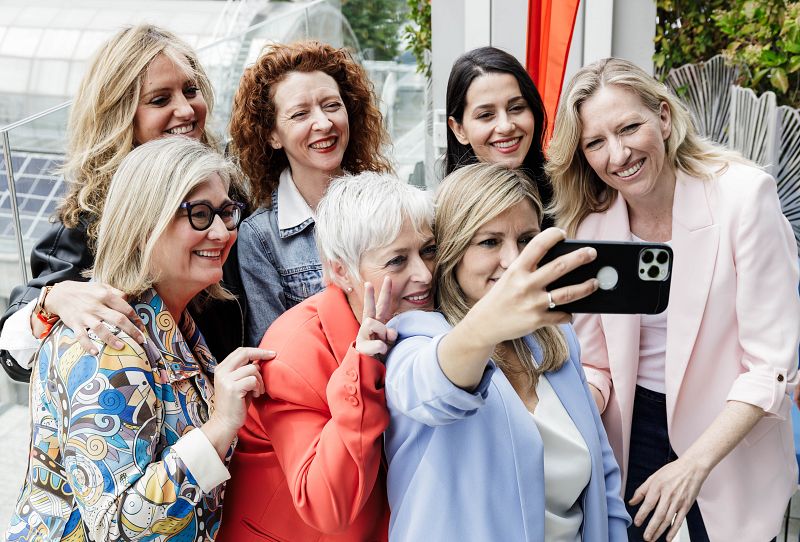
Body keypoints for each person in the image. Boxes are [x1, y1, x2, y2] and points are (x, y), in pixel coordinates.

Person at [546, 57, 800, 542]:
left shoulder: (744, 199)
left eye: (629, 127)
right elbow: (597, 365)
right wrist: (553, 408)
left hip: (729, 426)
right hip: (632, 426)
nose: (617, 155)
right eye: (595, 143)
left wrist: (693, 463)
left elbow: (770, 368)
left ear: (663, 117)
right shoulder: (591, 225)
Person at [5, 137, 273, 542]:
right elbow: (117, 527)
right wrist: (220, 427)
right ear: (145, 220)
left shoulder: (172, 320)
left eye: (226, 212)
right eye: (199, 214)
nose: (221, 231)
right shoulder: (108, 342)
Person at [383, 162, 629, 542]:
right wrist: (487, 326)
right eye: (490, 241)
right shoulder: (416, 335)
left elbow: (604, 476)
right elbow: (429, 390)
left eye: (527, 239)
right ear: (453, 251)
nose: (514, 261)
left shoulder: (556, 339)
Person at [0, 24, 246, 382]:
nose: (186, 109)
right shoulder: (89, 221)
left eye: (191, 90)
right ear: (120, 115)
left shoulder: (225, 186)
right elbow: (14, 353)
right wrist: (53, 301)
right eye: (160, 100)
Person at [218, 172, 435, 541]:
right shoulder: (293, 354)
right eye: (397, 261)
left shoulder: (417, 316)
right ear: (340, 270)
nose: (425, 274)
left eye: (428, 250)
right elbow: (325, 505)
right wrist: (361, 372)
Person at [229, 40, 392, 345]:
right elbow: (275, 351)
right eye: (300, 114)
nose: (324, 122)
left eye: (332, 105)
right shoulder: (261, 237)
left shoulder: (389, 203)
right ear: (273, 135)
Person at [444, 46, 554, 227]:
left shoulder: (570, 198)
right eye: (486, 115)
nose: (506, 126)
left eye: (517, 108)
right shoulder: (440, 220)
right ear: (459, 129)